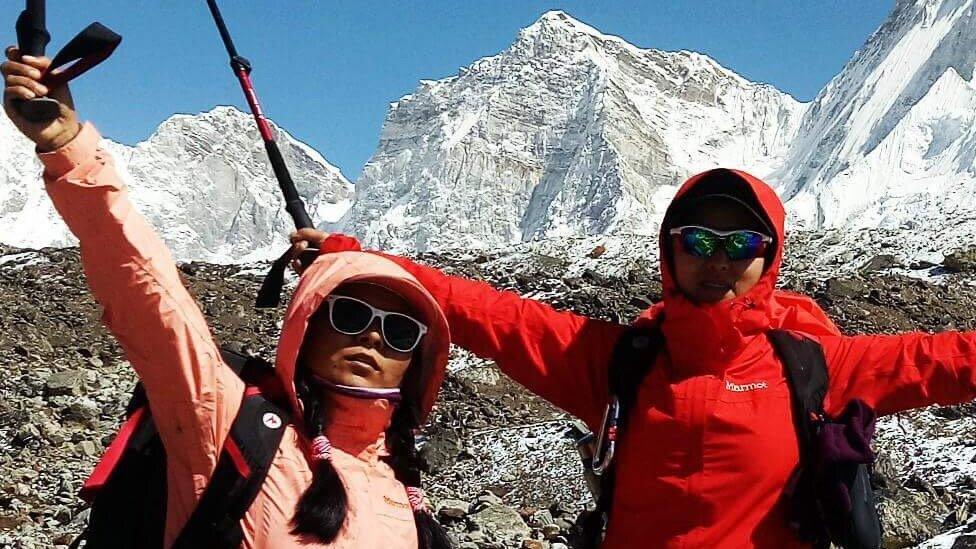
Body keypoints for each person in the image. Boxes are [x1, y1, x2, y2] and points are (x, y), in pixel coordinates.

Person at [289, 164, 976, 546]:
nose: (718, 261)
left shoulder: (816, 364)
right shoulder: (621, 362)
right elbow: (491, 314)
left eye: (742, 246)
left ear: (770, 258)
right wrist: (358, 261)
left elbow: (949, 358)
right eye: (699, 241)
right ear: (670, 249)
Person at [2, 48, 454, 549]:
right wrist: (69, 149)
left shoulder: (406, 501)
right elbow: (153, 300)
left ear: (415, 363)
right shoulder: (229, 424)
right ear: (307, 325)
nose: (373, 335)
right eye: (349, 314)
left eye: (400, 332)